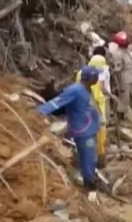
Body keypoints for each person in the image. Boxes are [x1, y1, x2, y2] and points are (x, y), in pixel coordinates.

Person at [38, 66, 102, 195]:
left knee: (88, 157)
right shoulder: (76, 90)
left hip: (88, 128)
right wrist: (39, 111)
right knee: (88, 158)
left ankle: (88, 182)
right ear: (91, 78)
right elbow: (58, 102)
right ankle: (90, 187)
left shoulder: (85, 89)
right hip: (83, 131)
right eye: (96, 77)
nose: (98, 79)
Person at [76, 54, 114, 169]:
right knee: (100, 133)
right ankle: (99, 159)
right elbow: (95, 97)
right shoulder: (95, 78)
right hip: (95, 107)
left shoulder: (81, 73)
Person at [110, 31, 132, 123]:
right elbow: (117, 71)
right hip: (124, 79)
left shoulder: (125, 50)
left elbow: (130, 47)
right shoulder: (118, 54)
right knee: (124, 98)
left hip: (131, 76)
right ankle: (120, 115)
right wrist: (120, 84)